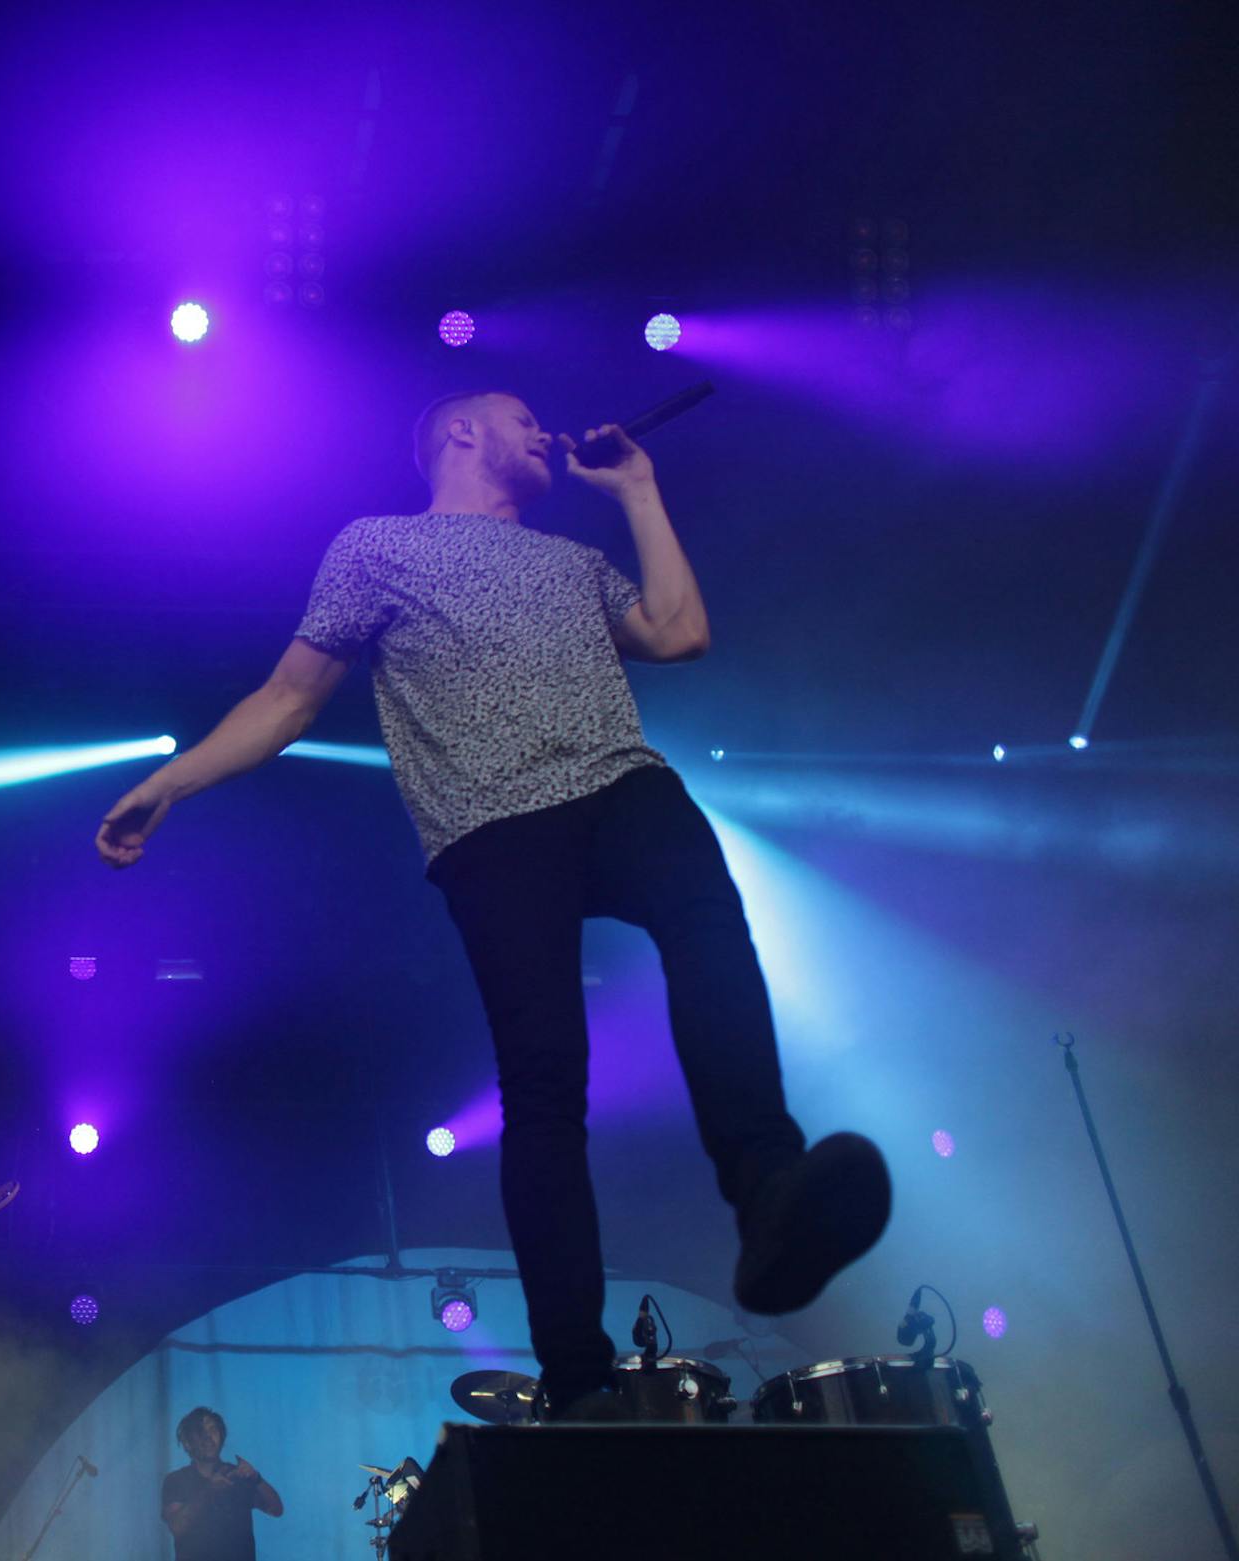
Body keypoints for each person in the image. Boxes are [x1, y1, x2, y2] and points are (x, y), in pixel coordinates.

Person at [95, 391, 891, 1419]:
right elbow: (288, 700)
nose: (543, 428)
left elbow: (680, 631)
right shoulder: (376, 546)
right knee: (547, 1080)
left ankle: (769, 1192)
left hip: (616, 782)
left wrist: (641, 490)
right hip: (491, 825)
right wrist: (170, 782)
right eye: (521, 414)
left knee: (708, 915)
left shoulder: (570, 561)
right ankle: (576, 1372)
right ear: (462, 432)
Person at [160, 1407, 283, 1560]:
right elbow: (177, 1527)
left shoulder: (238, 1475)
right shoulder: (177, 1480)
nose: (208, 1437)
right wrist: (208, 1491)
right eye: (200, 1432)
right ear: (187, 1443)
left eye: (213, 1429)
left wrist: (256, 1478)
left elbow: (276, 1509)